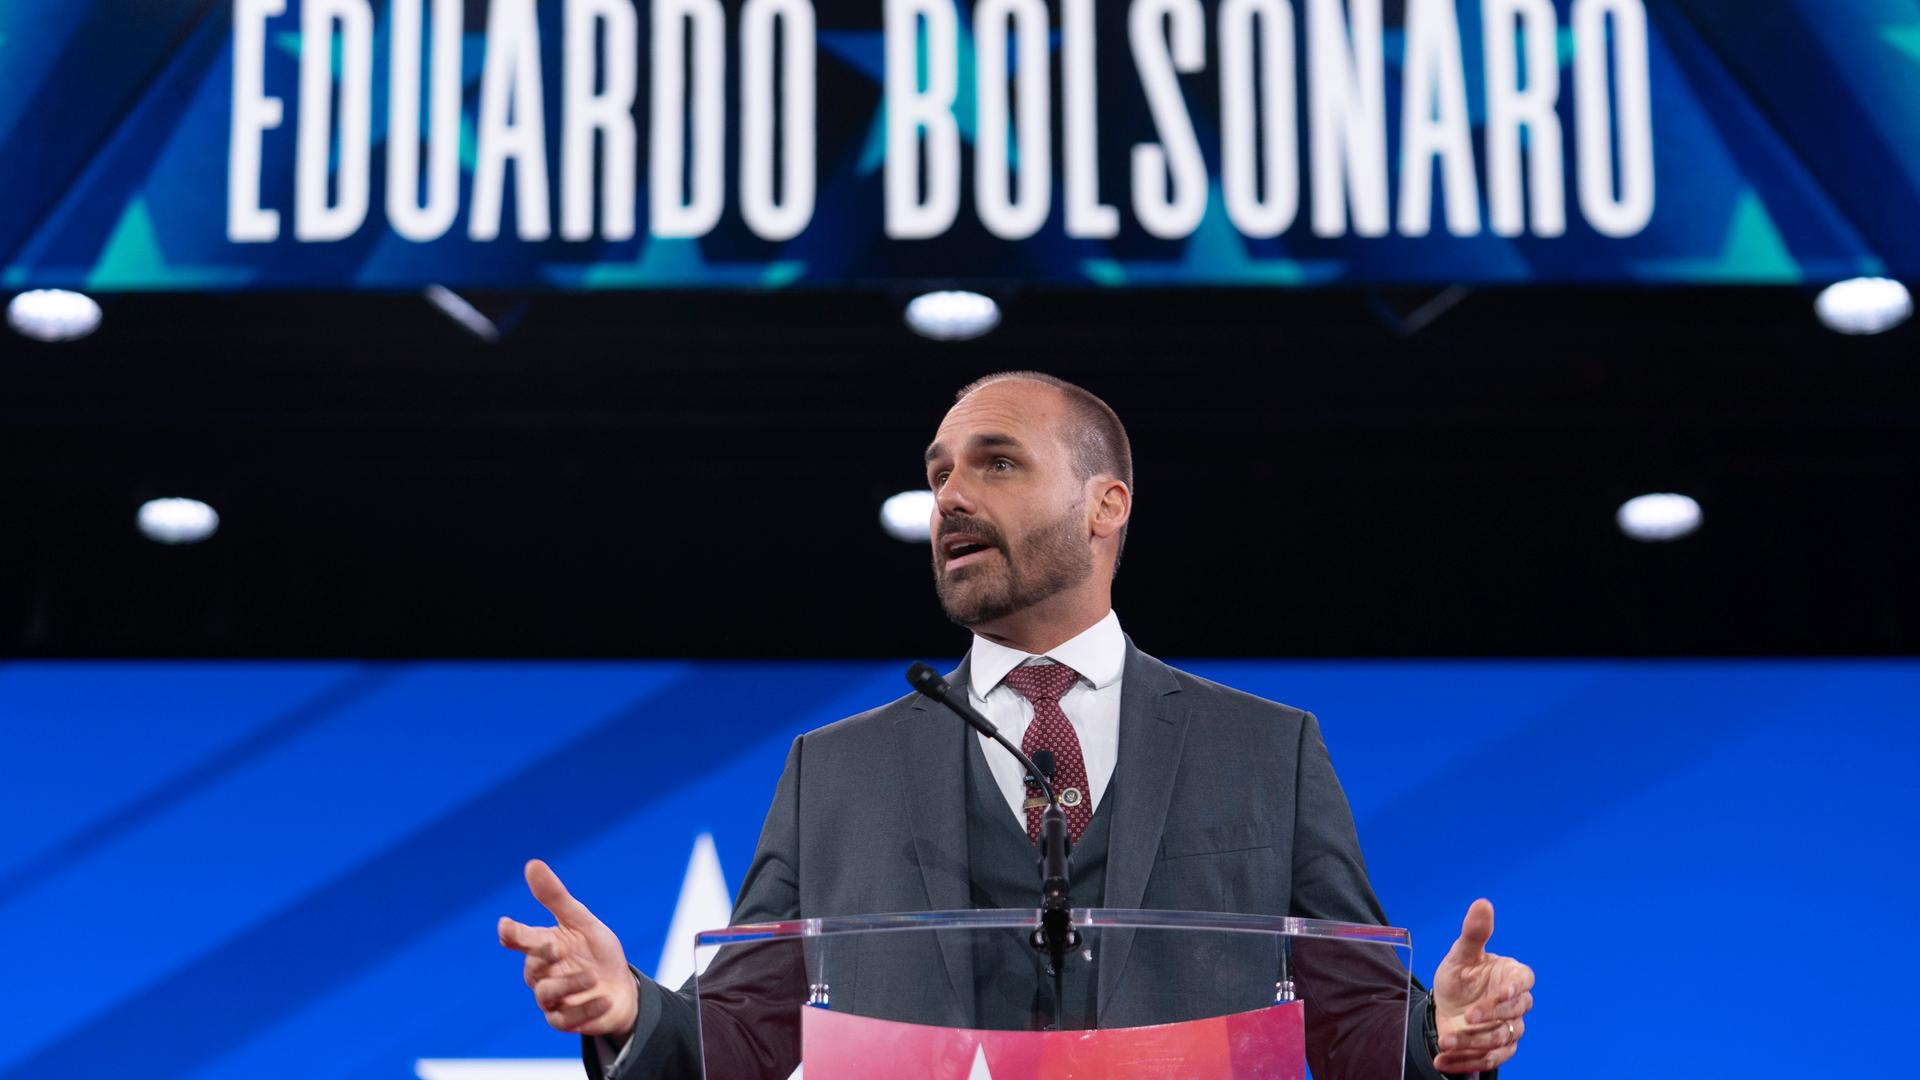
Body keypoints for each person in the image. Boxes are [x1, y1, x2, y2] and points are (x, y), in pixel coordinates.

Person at [498, 372, 1537, 1078]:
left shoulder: (1268, 751)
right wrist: (631, 1010)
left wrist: (1443, 1029)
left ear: (1105, 504)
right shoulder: (836, 773)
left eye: (995, 463)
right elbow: (742, 1036)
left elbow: (1356, 1019)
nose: (950, 494)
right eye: (939, 470)